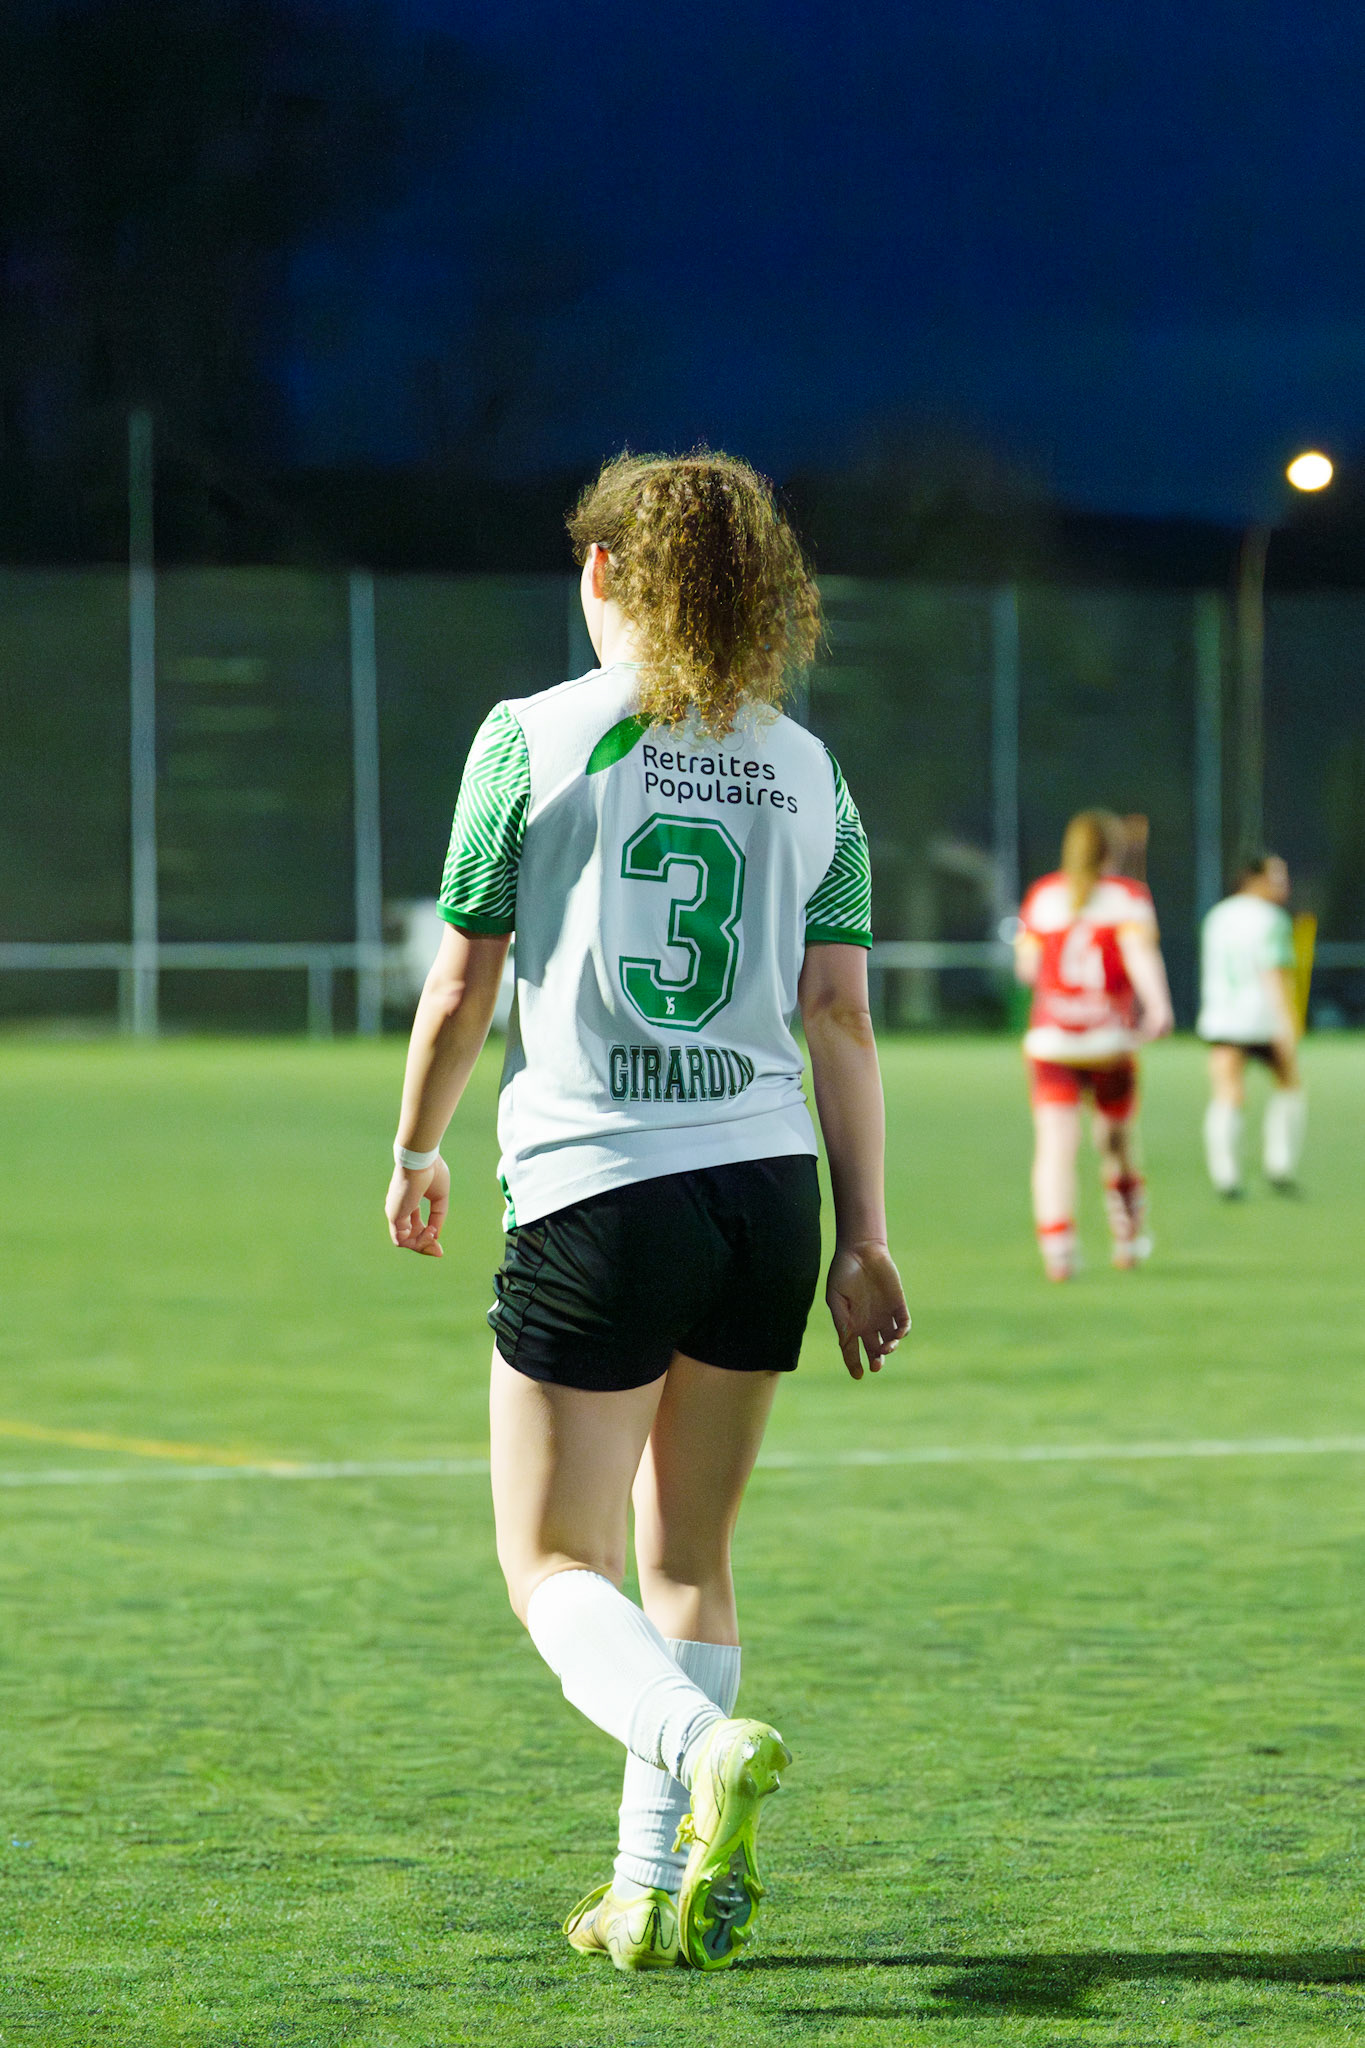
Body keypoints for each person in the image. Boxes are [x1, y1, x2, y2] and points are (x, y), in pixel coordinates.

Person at [384, 452, 909, 1973]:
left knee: (554, 1561)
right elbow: (839, 1015)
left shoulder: (530, 735)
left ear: (605, 572)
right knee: (688, 1560)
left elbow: (464, 977)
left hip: (602, 1186)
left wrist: (416, 1145)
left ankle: (696, 1743)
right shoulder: (811, 770)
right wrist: (865, 1236)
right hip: (769, 1194)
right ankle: (644, 1888)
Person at [1014, 811, 1174, 1281]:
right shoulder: (1128, 897)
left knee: (1055, 1147)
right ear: (1113, 850)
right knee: (1116, 1144)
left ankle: (1059, 1251)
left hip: (1052, 1041)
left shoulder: (1044, 894)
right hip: (1109, 1041)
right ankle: (1128, 1238)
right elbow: (1140, 956)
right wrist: (1158, 1007)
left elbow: (1026, 970)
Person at [1196, 854, 1305, 1196]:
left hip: (1223, 1017)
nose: (1284, 885)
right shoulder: (1271, 918)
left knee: (1227, 1093)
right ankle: (1280, 1165)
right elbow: (1274, 973)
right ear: (1253, 879)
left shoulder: (1218, 916)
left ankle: (1225, 1176)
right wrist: (1289, 1022)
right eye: (1277, 878)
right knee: (1289, 1083)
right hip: (1263, 1018)